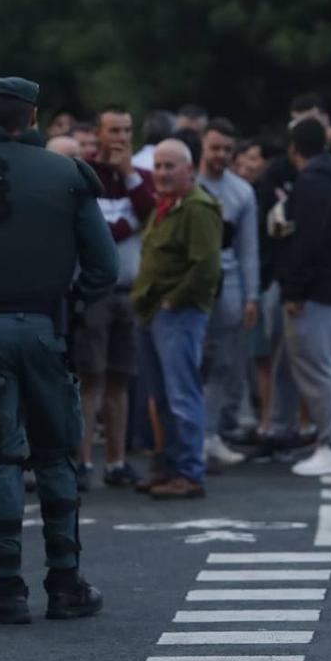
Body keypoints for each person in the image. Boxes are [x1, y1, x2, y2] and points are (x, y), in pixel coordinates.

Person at [0, 77, 117, 625]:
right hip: (45, 326)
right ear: (35, 116)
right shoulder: (68, 173)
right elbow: (104, 268)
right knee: (55, 454)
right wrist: (71, 303)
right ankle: (65, 582)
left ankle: (6, 586)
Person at [131, 139, 224, 498]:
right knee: (162, 396)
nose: (162, 173)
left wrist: (173, 301)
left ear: (189, 169)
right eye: (158, 166)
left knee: (183, 396)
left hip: (178, 314)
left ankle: (189, 471)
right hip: (155, 312)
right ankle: (169, 466)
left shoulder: (198, 208)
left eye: (170, 167)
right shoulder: (167, 205)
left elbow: (206, 267)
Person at [73, 105, 155, 490]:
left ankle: (118, 461)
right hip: (95, 293)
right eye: (114, 130)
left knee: (120, 378)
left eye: (127, 129)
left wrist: (129, 175)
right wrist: (124, 226)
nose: (122, 137)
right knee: (90, 377)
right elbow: (98, 231)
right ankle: (84, 461)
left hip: (128, 290)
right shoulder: (84, 172)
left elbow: (149, 211)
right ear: (99, 134)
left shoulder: (141, 177)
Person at [277, 118, 331, 476]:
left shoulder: (310, 183)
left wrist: (294, 289)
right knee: (323, 366)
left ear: (294, 149)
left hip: (313, 289)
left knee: (315, 366)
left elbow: (306, 241)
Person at [196, 118, 259, 466]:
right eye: (214, 148)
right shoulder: (188, 182)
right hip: (192, 283)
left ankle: (211, 433)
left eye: (226, 149)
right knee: (192, 362)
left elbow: (249, 249)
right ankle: (191, 436)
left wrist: (253, 296)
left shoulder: (242, 192)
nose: (220, 155)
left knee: (225, 362)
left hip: (230, 282)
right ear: (203, 146)